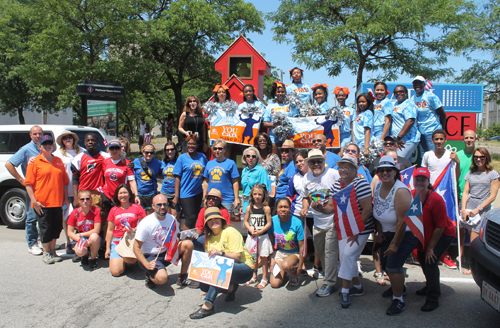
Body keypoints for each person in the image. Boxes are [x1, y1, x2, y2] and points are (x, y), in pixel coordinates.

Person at [313, 154, 374, 308]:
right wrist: (320, 207)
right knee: (347, 256)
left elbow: (367, 210)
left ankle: (345, 291)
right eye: (341, 166)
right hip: (344, 227)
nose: (343, 170)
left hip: (361, 228)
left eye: (347, 167)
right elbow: (331, 208)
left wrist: (356, 230)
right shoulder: (336, 185)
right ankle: (358, 287)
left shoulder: (361, 184)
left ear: (355, 169)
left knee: (347, 255)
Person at [189, 207, 254, 319]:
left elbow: (238, 257)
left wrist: (221, 253)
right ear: (206, 224)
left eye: (216, 218)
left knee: (218, 272)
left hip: (244, 267)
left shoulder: (231, 231)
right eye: (210, 220)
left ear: (222, 220)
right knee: (204, 286)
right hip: (226, 267)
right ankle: (231, 287)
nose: (214, 221)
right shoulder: (208, 238)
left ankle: (208, 305)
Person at [372, 156, 417, 315]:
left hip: (406, 234)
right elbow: (377, 211)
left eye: (388, 170)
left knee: (393, 265)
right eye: (381, 170)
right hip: (387, 232)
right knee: (384, 262)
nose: (384, 173)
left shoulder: (401, 191)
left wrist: (395, 245)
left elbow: (402, 222)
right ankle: (400, 288)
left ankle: (399, 301)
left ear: (395, 172)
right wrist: (378, 233)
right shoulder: (377, 186)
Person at [411, 168, 456, 311]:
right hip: (426, 233)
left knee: (430, 261)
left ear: (428, 182)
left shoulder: (436, 199)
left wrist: (430, 248)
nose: (419, 182)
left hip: (444, 234)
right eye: (417, 179)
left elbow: (441, 226)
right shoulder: (411, 195)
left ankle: (433, 297)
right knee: (423, 260)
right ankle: (430, 285)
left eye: (423, 180)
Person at [300, 149, 340, 297]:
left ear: (324, 161)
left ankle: (329, 284)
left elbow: (343, 195)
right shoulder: (306, 177)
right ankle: (332, 273)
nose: (316, 164)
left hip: (333, 220)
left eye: (319, 161)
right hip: (317, 221)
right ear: (308, 164)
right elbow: (305, 197)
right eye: (313, 162)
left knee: (330, 252)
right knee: (322, 252)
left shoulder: (333, 174)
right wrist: (305, 208)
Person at [25, 135, 70, 264]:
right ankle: (46, 253)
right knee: (45, 229)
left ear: (53, 146)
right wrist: (34, 201)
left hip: (57, 202)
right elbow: (28, 184)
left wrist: (66, 199)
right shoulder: (34, 162)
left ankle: (52, 251)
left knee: (56, 228)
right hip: (42, 203)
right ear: (40, 147)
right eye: (44, 144)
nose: (47, 146)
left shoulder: (58, 161)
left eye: (50, 144)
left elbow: (64, 182)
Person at [134, 194, 194, 289]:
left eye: (165, 204)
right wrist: (146, 264)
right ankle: (149, 274)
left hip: (166, 252)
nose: (162, 207)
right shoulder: (146, 223)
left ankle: (182, 277)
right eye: (159, 205)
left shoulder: (172, 219)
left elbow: (175, 238)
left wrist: (187, 237)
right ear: (153, 206)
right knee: (162, 279)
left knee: (188, 244)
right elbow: (136, 247)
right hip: (151, 256)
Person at [461, 147, 500, 274]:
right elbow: (466, 192)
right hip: (469, 210)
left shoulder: (493, 174)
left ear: (486, 158)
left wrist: (478, 209)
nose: (478, 159)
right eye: (476, 157)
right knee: (472, 239)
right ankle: (474, 264)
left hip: (482, 211)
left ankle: (473, 267)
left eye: (481, 157)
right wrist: (463, 209)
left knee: (474, 241)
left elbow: (492, 196)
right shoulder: (470, 173)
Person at [6, 125, 43, 255]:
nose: (38, 136)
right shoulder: (26, 149)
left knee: (43, 217)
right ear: (30, 135)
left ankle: (44, 242)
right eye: (35, 134)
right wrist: (22, 180)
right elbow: (9, 164)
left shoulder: (45, 148)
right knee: (32, 217)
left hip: (45, 189)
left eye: (40, 133)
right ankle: (32, 243)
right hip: (32, 189)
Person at [287, 150, 323, 278]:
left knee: (317, 240)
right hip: (298, 213)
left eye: (301, 160)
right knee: (299, 240)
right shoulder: (294, 178)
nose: (299, 163)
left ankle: (317, 266)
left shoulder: (317, 175)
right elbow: (290, 195)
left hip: (316, 214)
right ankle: (301, 266)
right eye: (296, 162)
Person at [53, 130, 85, 254]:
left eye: (70, 137)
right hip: (65, 191)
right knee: (66, 217)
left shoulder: (82, 151)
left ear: (74, 139)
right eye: (65, 138)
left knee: (81, 217)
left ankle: (79, 241)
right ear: (61, 141)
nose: (68, 139)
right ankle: (68, 241)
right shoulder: (57, 154)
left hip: (80, 190)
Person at [105, 184, 146, 276]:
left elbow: (145, 225)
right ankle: (123, 260)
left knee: (130, 257)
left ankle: (133, 262)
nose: (123, 195)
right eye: (120, 193)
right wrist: (107, 248)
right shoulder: (113, 210)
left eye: (125, 192)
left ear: (130, 194)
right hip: (118, 240)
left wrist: (134, 229)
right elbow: (110, 230)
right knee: (116, 272)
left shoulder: (137, 207)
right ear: (117, 195)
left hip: (132, 240)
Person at [268, 197, 306, 288]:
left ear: (290, 208)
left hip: (294, 254)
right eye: (280, 207)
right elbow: (271, 243)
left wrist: (300, 267)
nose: (283, 209)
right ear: (276, 209)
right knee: (274, 284)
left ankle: (293, 272)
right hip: (280, 254)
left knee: (286, 265)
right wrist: (271, 259)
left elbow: (302, 247)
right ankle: (285, 271)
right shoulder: (272, 221)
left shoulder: (297, 222)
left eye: (286, 207)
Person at [173, 135, 207, 229]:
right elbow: (177, 178)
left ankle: (190, 240)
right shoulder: (182, 158)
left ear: (197, 145)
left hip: (198, 192)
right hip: (185, 193)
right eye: (188, 144)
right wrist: (176, 196)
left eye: (193, 143)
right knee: (190, 218)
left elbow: (206, 174)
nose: (190, 146)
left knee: (194, 217)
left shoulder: (202, 157)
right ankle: (183, 240)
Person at [243, 184, 273, 288]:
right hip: (251, 237)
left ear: (264, 195)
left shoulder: (266, 208)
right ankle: (253, 276)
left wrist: (260, 232)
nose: (257, 196)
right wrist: (250, 229)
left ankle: (264, 278)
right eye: (255, 194)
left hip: (263, 237)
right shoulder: (249, 207)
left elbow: (269, 223)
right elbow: (246, 221)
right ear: (252, 195)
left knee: (264, 258)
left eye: (260, 194)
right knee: (252, 257)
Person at [71, 133, 110, 212]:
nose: (90, 142)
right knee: (84, 219)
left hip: (97, 193)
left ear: (97, 142)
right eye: (88, 140)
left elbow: (117, 161)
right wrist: (75, 197)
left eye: (93, 140)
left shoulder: (105, 156)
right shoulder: (78, 158)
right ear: (84, 143)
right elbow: (75, 178)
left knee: (98, 218)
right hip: (83, 192)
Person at [411, 76, 447, 157]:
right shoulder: (412, 99)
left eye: (420, 83)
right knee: (424, 157)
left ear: (424, 84)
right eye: (415, 83)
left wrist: (441, 131)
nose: (417, 85)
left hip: (432, 131)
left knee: (434, 156)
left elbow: (442, 114)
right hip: (421, 133)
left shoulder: (430, 97)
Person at [67, 190, 102, 270]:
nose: (85, 201)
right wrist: (81, 240)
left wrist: (81, 235)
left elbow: (97, 230)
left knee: (94, 237)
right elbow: (69, 232)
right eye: (82, 199)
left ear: (91, 200)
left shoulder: (96, 210)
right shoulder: (74, 212)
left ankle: (93, 258)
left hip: (91, 236)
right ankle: (85, 256)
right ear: (79, 201)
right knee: (80, 251)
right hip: (81, 238)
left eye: (87, 199)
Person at [102, 140, 140, 214]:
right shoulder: (105, 162)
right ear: (108, 150)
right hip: (108, 196)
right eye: (112, 148)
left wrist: (136, 195)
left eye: (117, 148)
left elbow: (132, 181)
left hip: (122, 196)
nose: (114, 150)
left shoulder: (127, 163)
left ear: (120, 149)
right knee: (109, 219)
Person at [203, 139, 240, 214]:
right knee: (212, 223)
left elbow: (235, 182)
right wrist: (204, 197)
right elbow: (206, 182)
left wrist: (236, 198)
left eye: (220, 148)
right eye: (215, 148)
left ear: (224, 150)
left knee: (225, 224)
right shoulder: (209, 163)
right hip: (211, 199)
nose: (217, 150)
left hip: (226, 199)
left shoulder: (231, 163)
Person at [456, 130, 476, 263]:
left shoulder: (479, 155)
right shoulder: (457, 155)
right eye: (466, 138)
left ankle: (473, 258)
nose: (469, 140)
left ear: (476, 139)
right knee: (460, 229)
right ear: (463, 140)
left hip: (475, 198)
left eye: (471, 138)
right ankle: (460, 255)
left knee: (473, 231)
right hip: (459, 196)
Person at [263, 81, 295, 154]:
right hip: (273, 136)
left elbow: (296, 120)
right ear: (275, 93)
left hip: (288, 136)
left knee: (289, 157)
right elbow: (264, 123)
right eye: (279, 92)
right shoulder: (270, 106)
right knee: (275, 158)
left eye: (282, 92)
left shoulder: (290, 106)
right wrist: (275, 125)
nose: (280, 93)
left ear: (285, 93)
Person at [391, 85, 421, 161]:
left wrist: (400, 136)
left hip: (407, 140)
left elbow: (410, 120)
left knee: (398, 161)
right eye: (396, 92)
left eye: (401, 91)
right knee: (406, 165)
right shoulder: (395, 104)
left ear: (406, 93)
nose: (398, 94)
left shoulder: (409, 104)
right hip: (399, 140)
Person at [210, 84, 238, 158]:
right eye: (219, 92)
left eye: (223, 92)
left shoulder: (232, 105)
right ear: (216, 94)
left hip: (227, 134)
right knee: (216, 157)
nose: (221, 94)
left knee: (226, 158)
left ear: (226, 94)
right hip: (215, 134)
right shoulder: (213, 106)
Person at [240, 146, 270, 216]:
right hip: (245, 204)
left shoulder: (261, 170)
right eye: (248, 156)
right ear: (245, 158)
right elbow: (244, 190)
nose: (251, 158)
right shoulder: (244, 170)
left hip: (257, 204)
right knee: (246, 226)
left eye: (253, 156)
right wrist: (241, 205)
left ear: (257, 158)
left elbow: (264, 190)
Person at [133, 143, 162, 214]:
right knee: (141, 217)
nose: (149, 154)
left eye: (151, 153)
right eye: (147, 152)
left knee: (150, 217)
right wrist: (135, 194)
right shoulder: (136, 162)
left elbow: (162, 174)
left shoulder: (157, 163)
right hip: (140, 194)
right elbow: (132, 178)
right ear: (143, 152)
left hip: (151, 194)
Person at [254, 132, 281, 206]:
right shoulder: (253, 157)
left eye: (264, 140)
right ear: (257, 143)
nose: (262, 142)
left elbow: (277, 176)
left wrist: (274, 191)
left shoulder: (274, 157)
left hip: (269, 192)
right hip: (255, 192)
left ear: (268, 142)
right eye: (260, 140)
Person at [160, 141, 180, 219]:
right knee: (166, 218)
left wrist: (177, 196)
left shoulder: (179, 161)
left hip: (175, 194)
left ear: (175, 150)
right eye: (167, 150)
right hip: (165, 192)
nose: (170, 151)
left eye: (172, 149)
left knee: (175, 218)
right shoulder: (164, 162)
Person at [352, 93, 374, 157]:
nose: (361, 104)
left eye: (363, 102)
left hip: (363, 144)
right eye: (359, 102)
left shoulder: (368, 113)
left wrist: (366, 148)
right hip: (357, 144)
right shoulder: (360, 114)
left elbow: (368, 130)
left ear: (368, 102)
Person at [334, 87, 354, 153]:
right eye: (339, 95)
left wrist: (353, 140)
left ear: (346, 96)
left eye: (343, 95)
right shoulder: (333, 110)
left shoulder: (351, 110)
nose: (341, 97)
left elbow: (353, 126)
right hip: (336, 135)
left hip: (346, 135)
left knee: (342, 151)